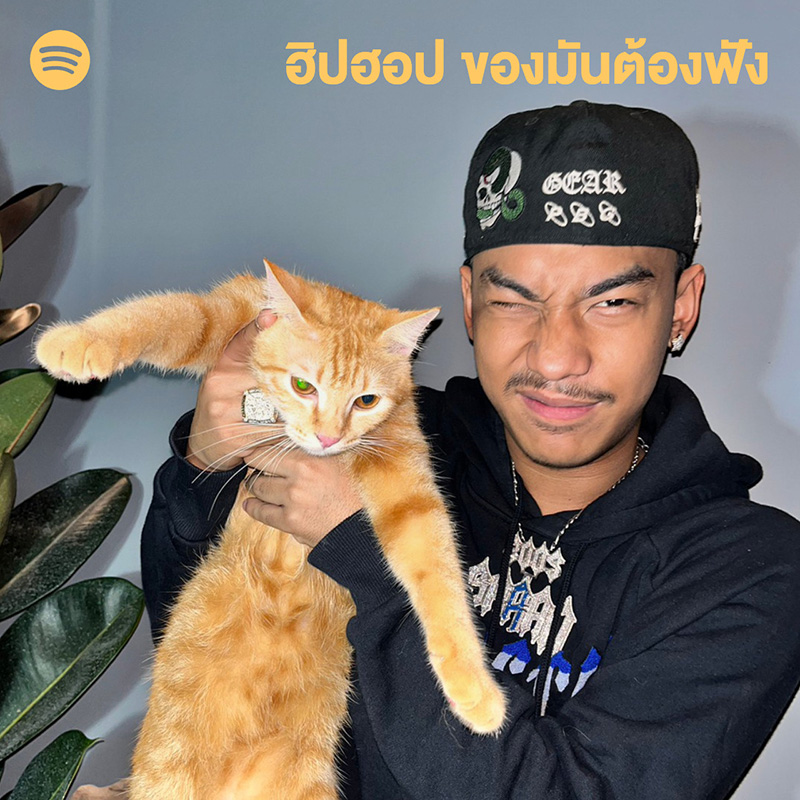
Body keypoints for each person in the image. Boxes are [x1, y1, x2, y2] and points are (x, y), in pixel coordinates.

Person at [139, 101, 800, 799]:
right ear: (469, 302)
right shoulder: (379, 440)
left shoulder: (746, 567)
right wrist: (207, 467)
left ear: (681, 307)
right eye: (514, 301)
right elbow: (208, 665)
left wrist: (365, 552)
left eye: (611, 303)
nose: (555, 357)